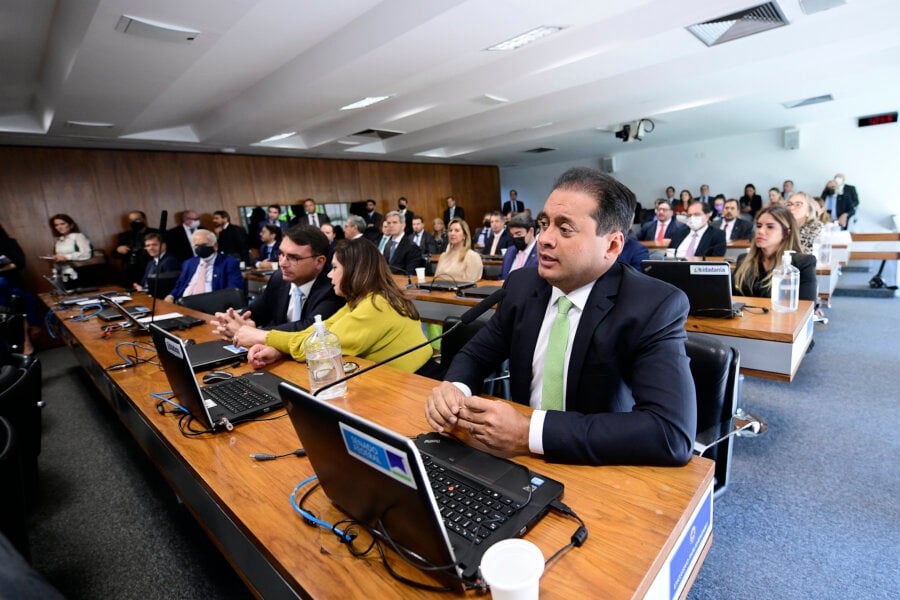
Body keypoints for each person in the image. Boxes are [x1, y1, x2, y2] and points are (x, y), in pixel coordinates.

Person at [425, 167, 696, 466]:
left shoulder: (653, 305)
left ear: (613, 245)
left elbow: (670, 433)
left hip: (601, 465)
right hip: (517, 461)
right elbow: (476, 355)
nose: (544, 239)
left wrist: (530, 433)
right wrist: (454, 388)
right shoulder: (522, 286)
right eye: (544, 224)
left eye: (565, 229)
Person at [238, 238, 433, 374]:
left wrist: (262, 336)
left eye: (334, 268)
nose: (329, 275)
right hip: (398, 381)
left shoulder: (376, 305)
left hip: (419, 382)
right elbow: (316, 333)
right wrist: (277, 349)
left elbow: (320, 347)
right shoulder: (362, 300)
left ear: (354, 271)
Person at [212, 225, 344, 338]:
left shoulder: (333, 286)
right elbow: (257, 311)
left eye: (293, 258)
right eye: (281, 254)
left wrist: (252, 332)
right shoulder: (278, 278)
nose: (282, 263)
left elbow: (307, 328)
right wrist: (235, 320)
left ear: (319, 262)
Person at [733, 205, 817, 301]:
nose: (760, 231)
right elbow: (732, 299)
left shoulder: (803, 263)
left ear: (787, 233)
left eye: (770, 227)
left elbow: (806, 306)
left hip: (784, 315)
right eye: (759, 226)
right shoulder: (743, 259)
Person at [165, 229, 244, 302]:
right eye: (196, 246)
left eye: (203, 245)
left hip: (212, 303)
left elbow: (233, 289)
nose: (200, 248)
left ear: (215, 246)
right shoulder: (189, 263)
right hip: (184, 303)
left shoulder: (228, 262)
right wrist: (171, 296)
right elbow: (180, 284)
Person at [114, 210, 157, 287]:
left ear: (144, 220)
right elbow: (114, 254)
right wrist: (119, 250)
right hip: (131, 272)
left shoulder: (156, 233)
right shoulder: (124, 236)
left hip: (150, 269)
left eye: (137, 219)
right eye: (131, 220)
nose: (134, 222)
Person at [46, 214, 92, 283]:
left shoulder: (78, 236)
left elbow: (86, 254)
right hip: (64, 272)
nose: (59, 227)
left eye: (62, 224)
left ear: (71, 225)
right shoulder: (59, 240)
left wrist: (66, 257)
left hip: (79, 272)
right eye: (56, 225)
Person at [434, 218, 483, 282]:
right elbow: (436, 279)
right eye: (450, 230)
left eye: (456, 231)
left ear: (464, 236)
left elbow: (471, 282)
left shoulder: (472, 256)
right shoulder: (443, 256)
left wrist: (444, 280)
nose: (452, 233)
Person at [499, 213, 537, 279]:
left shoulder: (541, 253)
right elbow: (501, 277)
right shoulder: (510, 251)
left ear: (531, 231)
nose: (515, 237)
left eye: (518, 234)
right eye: (512, 235)